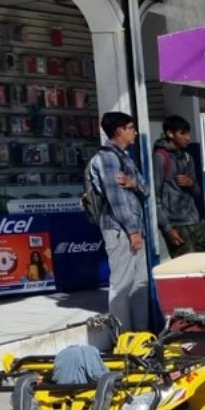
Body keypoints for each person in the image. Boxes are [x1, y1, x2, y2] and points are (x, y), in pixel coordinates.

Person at [88, 112, 150, 333]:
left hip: (134, 228)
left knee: (140, 283)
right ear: (119, 131)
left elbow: (145, 188)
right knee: (122, 285)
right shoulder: (107, 159)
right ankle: (123, 337)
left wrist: (133, 184)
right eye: (131, 127)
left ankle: (141, 334)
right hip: (119, 229)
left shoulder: (125, 157)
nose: (135, 132)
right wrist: (132, 231)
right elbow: (117, 199)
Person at [154, 115, 205, 257]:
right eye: (182, 133)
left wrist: (191, 184)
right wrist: (167, 228)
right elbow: (155, 197)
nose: (188, 138)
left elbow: (197, 192)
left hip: (195, 221)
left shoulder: (188, 158)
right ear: (170, 134)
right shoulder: (160, 157)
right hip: (176, 225)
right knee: (186, 264)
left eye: (188, 133)